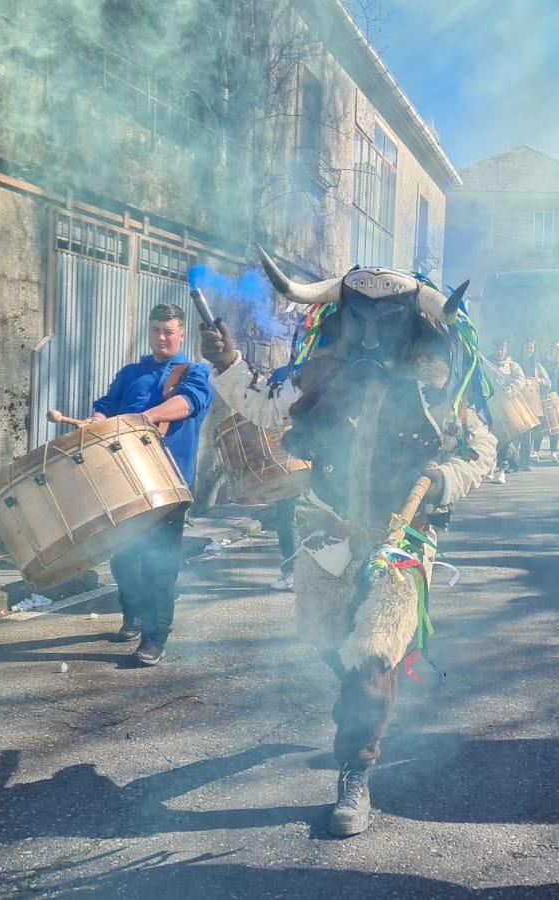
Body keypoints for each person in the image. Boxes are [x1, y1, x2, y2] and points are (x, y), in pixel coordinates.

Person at [199, 261, 495, 838]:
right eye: (363, 317)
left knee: (371, 660)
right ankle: (359, 712)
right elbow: (263, 405)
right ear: (344, 316)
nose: (373, 332)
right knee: (326, 643)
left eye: (388, 319)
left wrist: (443, 480)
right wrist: (227, 363)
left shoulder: (439, 379)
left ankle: (354, 773)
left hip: (402, 542)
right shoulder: (320, 372)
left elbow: (482, 449)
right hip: (329, 529)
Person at [92, 303, 213, 667]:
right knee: (124, 559)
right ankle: (134, 615)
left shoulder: (196, 371)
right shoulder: (131, 372)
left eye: (168, 331)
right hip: (123, 483)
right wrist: (99, 417)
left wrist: (144, 418)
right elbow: (107, 404)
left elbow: (189, 402)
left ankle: (155, 638)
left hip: (167, 485)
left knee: (161, 563)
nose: (161, 337)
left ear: (181, 335)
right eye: (156, 330)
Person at [485, 340, 524, 483]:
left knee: (505, 439)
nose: (499, 352)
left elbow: (521, 381)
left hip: (506, 407)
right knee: (488, 437)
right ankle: (490, 466)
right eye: (497, 349)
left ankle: (502, 470)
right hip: (489, 406)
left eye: (502, 349)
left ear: (506, 349)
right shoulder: (485, 362)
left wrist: (512, 387)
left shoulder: (512, 365)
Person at [518, 339, 550, 467]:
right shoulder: (515, 364)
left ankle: (524, 461)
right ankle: (511, 460)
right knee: (515, 433)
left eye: (532, 348)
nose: (530, 350)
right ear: (522, 349)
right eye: (527, 347)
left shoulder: (537, 366)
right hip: (518, 401)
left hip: (531, 402)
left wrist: (539, 380)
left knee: (528, 432)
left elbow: (548, 382)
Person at [536, 341, 559, 463]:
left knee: (556, 425)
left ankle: (553, 452)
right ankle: (535, 451)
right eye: (557, 349)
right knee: (542, 424)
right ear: (552, 349)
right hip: (543, 395)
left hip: (557, 395)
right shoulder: (544, 362)